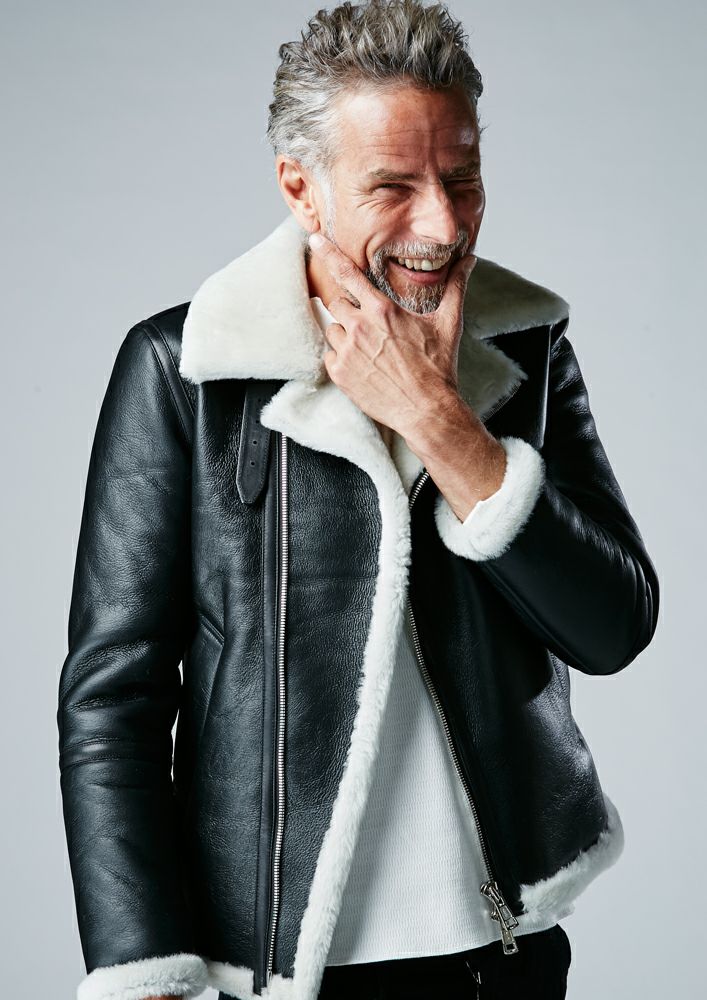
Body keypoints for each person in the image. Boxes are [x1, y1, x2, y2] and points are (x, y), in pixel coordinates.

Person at [56, 2, 660, 999]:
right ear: (302, 187)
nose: (442, 225)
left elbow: (612, 626)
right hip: (284, 974)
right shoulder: (186, 368)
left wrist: (438, 417)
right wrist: (142, 971)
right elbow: (111, 698)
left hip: (502, 956)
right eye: (393, 186)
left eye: (460, 178)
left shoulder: (522, 349)